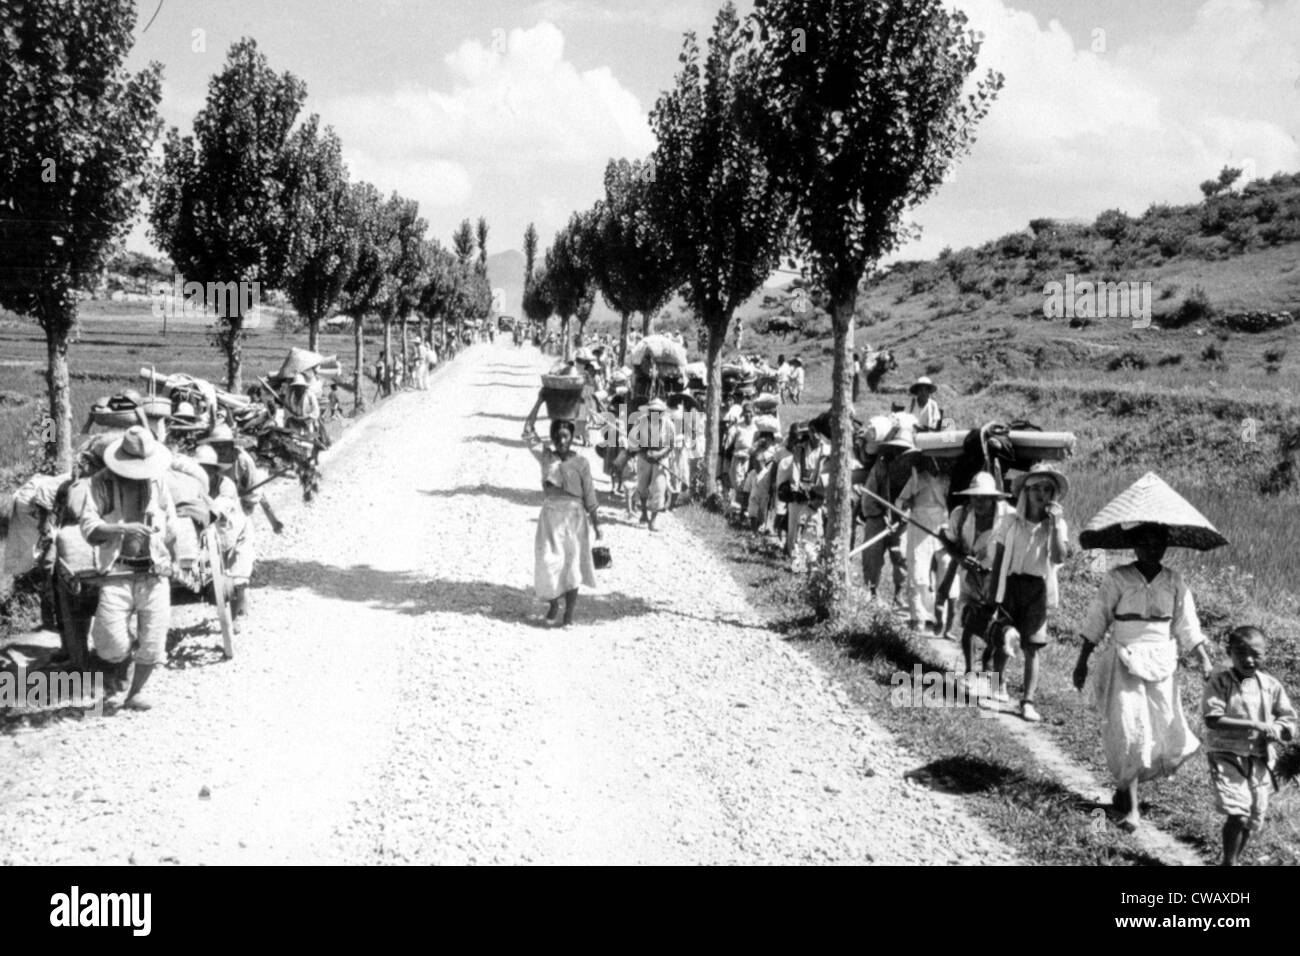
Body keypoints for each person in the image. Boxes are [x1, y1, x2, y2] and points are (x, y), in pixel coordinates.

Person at [1072, 523, 1215, 829]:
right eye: (1145, 543)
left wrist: (1203, 659)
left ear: (1165, 546)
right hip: (1123, 659)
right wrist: (1082, 660)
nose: (1151, 549)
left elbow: (1187, 624)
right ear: (1134, 546)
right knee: (1130, 728)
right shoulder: (1118, 578)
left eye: (1157, 543)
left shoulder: (1174, 581)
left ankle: (1124, 792)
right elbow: (1098, 617)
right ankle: (1131, 810)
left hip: (1161, 662)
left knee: (1159, 730)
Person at [77, 426, 178, 710]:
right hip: (117, 571)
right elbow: (89, 526)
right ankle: (120, 667)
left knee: (154, 642)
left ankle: (135, 692)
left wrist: (174, 559)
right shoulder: (100, 483)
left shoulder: (157, 480)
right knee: (110, 643)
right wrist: (122, 529)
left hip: (154, 571)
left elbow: (171, 524)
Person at [1200, 626, 1296, 865]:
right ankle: (1229, 862)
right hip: (1226, 755)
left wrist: (1279, 730)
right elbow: (1213, 719)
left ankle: (1232, 860)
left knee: (1253, 817)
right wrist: (1254, 724)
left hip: (1260, 759)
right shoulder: (1221, 681)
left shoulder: (1271, 686)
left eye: (1256, 654)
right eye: (1241, 653)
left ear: (1266, 654)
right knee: (1239, 813)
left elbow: (1287, 720)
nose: (1249, 660)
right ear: (1229, 652)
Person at [985, 462, 1071, 722]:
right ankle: (998, 682)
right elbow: (999, 558)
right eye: (1036, 488)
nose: (1041, 494)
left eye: (1047, 489)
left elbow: (1059, 557)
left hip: (1037, 588)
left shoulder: (1055, 526)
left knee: (1032, 646)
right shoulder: (1011, 522)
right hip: (1010, 584)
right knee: (1005, 639)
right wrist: (993, 593)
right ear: (1026, 492)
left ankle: (1028, 701)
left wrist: (1055, 526)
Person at [526, 418, 602, 626]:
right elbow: (528, 432)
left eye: (565, 436)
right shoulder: (546, 457)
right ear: (552, 438)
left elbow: (590, 494)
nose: (561, 441)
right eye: (557, 437)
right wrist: (540, 402)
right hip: (550, 518)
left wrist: (597, 524)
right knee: (547, 562)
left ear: (572, 437)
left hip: (574, 518)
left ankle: (569, 614)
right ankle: (553, 603)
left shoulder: (581, 462)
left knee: (572, 566)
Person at [941, 472, 1013, 678]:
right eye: (975, 497)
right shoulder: (960, 515)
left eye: (984, 497)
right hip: (970, 578)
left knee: (996, 625)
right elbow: (948, 541)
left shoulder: (1009, 517)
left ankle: (988, 662)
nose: (979, 502)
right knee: (970, 622)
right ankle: (969, 670)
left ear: (993, 498)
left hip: (999, 578)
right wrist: (961, 558)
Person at [895, 455, 952, 633]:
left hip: (941, 525)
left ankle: (939, 618)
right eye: (932, 460)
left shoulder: (946, 479)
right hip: (919, 524)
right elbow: (899, 502)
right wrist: (907, 503)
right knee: (917, 571)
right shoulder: (916, 478)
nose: (936, 463)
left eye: (939, 460)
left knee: (945, 568)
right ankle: (919, 618)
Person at [630, 397, 676, 531]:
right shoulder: (641, 422)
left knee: (659, 488)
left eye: (658, 412)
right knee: (642, 486)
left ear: (662, 413)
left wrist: (659, 454)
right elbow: (633, 442)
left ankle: (654, 519)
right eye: (652, 411)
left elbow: (670, 444)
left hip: (661, 460)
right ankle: (644, 513)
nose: (655, 414)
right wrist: (644, 452)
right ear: (649, 411)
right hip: (644, 458)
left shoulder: (668, 424)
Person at [723, 403, 758, 509]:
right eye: (746, 412)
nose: (748, 414)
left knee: (747, 484)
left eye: (750, 412)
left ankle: (744, 508)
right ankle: (737, 508)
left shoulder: (756, 428)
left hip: (750, 460)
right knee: (737, 484)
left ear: (753, 413)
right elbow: (728, 443)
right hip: (738, 458)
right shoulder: (737, 427)